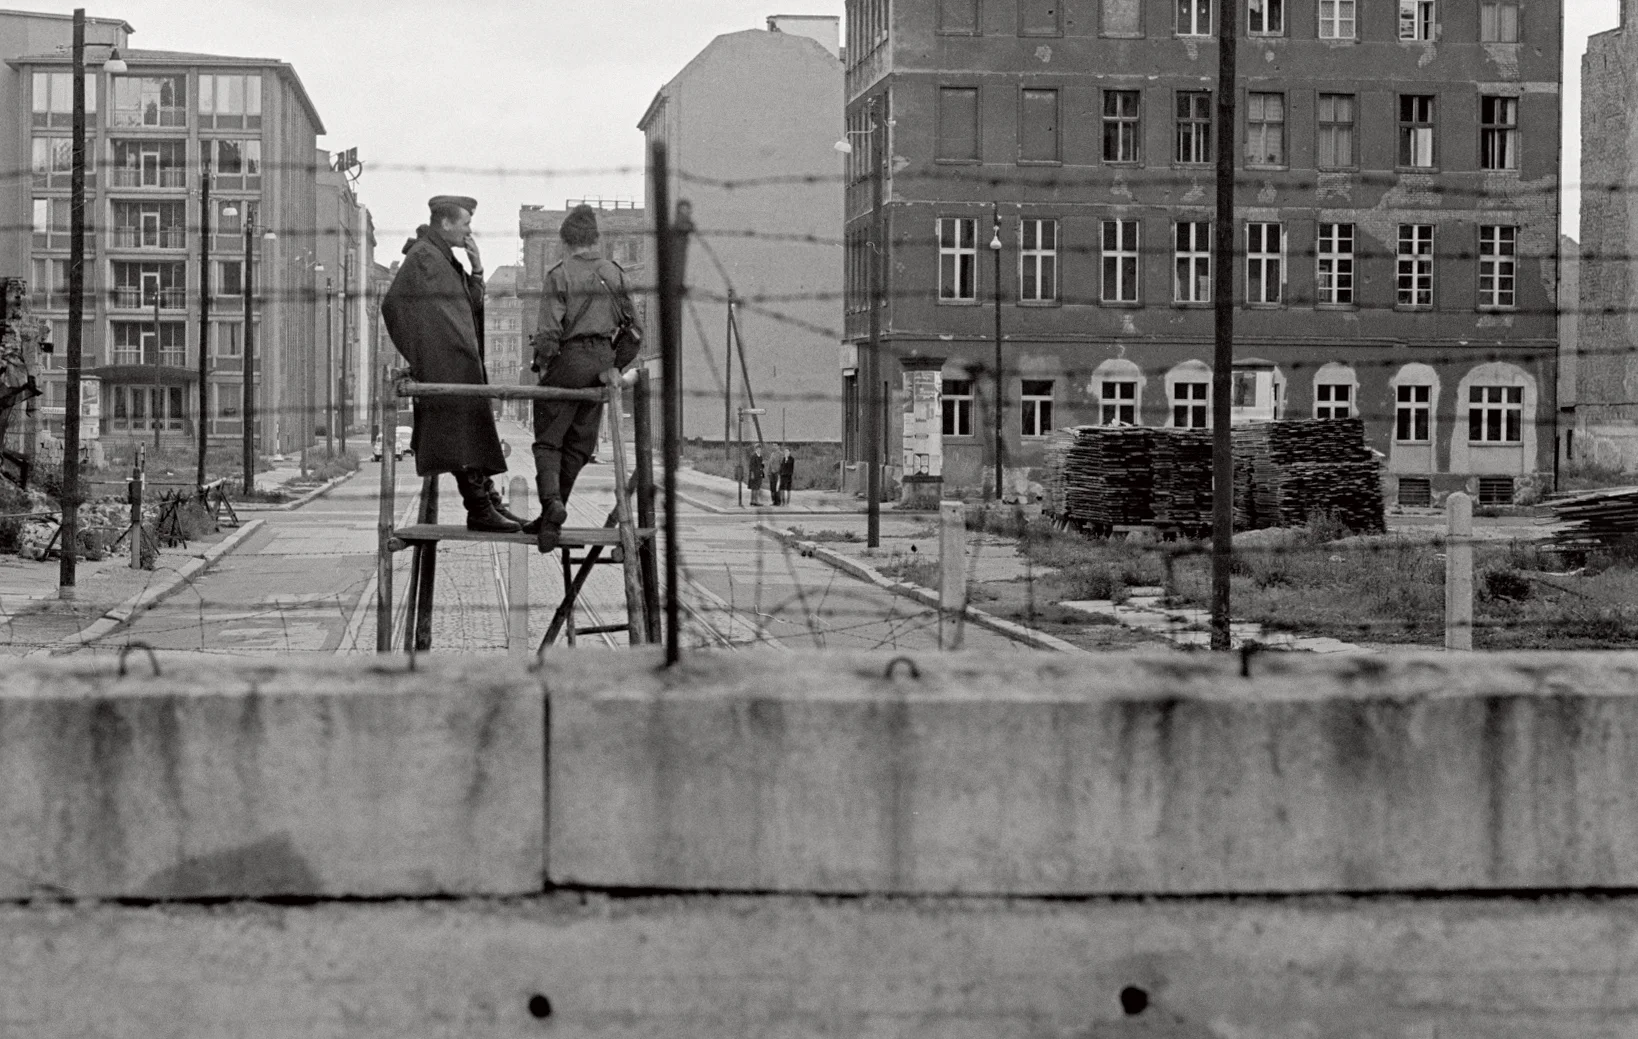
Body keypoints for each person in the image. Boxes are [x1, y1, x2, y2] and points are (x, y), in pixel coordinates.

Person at [381, 195, 522, 532]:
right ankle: (479, 508)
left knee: (471, 434)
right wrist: (422, 353)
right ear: (445, 223)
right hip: (445, 367)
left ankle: (488, 503)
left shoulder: (443, 258)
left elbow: (470, 307)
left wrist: (477, 269)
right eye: (465, 223)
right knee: (462, 436)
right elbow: (392, 306)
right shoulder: (424, 257)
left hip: (460, 366)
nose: (469, 230)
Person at [527, 204, 643, 551]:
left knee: (548, 441)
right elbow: (636, 331)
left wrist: (544, 367)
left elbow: (548, 334)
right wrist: (614, 366)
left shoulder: (559, 274)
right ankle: (550, 519)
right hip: (601, 364)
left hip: (567, 361)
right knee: (579, 445)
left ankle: (552, 504)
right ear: (596, 240)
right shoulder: (615, 274)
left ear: (565, 241)